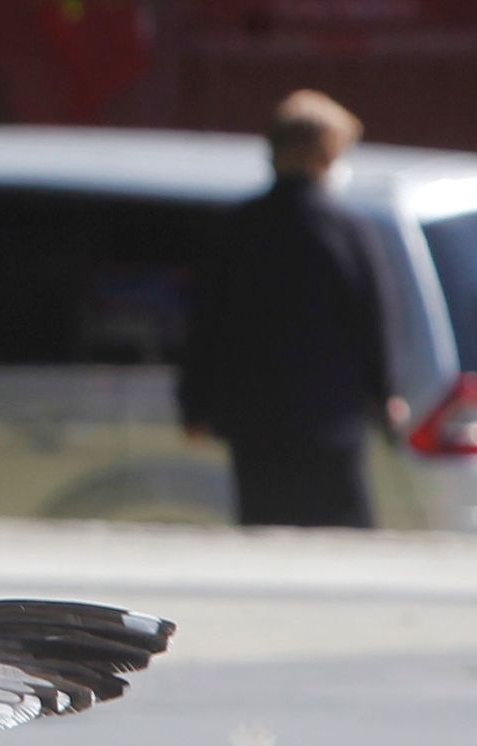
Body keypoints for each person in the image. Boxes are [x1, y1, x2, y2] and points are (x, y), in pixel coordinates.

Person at [177, 90, 407, 529]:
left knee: (267, 536)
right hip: (332, 424)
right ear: (327, 156)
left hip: (255, 425)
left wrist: (194, 406)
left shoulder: (238, 228)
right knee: (343, 545)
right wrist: (385, 394)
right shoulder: (349, 231)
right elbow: (375, 320)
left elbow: (205, 323)